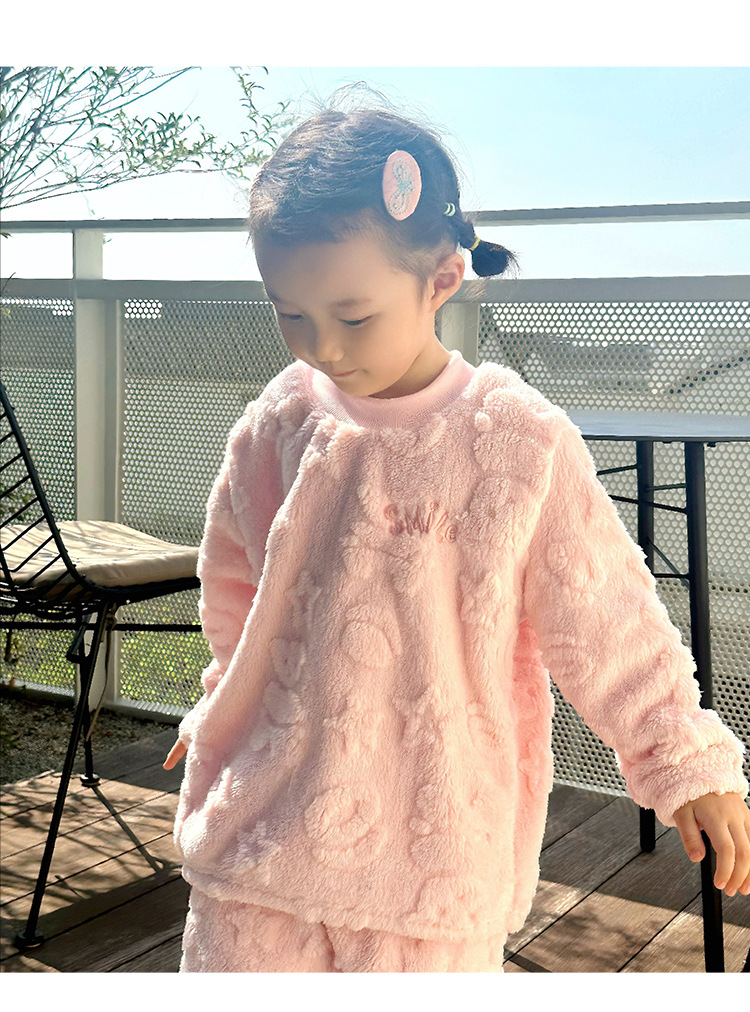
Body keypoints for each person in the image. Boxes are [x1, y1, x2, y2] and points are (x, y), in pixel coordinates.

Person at [163, 96, 750, 973]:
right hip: (258, 843)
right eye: (290, 313)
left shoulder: (516, 440)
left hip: (433, 863)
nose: (322, 347)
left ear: (439, 281)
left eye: (352, 317)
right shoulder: (277, 423)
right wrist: (220, 699)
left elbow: (606, 616)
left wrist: (686, 761)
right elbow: (237, 589)